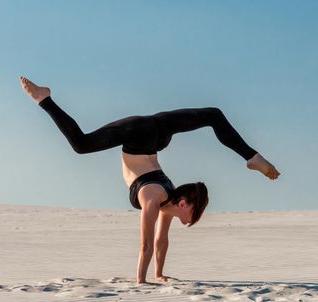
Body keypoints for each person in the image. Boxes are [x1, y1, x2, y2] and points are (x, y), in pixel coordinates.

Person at [19, 76, 280, 284]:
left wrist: (159, 274)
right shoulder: (155, 198)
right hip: (138, 135)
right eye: (195, 211)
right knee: (81, 144)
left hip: (157, 133)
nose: (195, 217)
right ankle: (45, 98)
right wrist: (141, 281)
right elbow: (145, 245)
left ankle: (252, 157)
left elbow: (160, 241)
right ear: (184, 203)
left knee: (213, 114)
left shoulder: (166, 201)